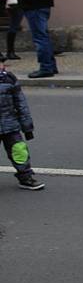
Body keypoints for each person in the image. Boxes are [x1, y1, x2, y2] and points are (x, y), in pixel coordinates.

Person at [0, 61, 44, 190]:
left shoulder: (9, 79)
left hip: (11, 126)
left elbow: (21, 104)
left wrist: (27, 127)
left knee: (19, 151)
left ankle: (25, 177)